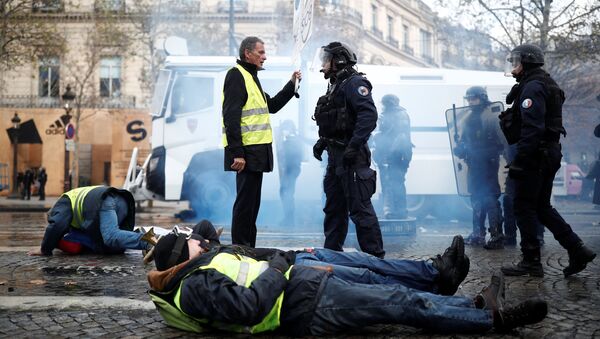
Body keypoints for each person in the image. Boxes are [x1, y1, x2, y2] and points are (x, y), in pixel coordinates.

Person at [147, 228, 548, 335]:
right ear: (182, 256)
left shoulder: (198, 271)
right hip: (304, 308)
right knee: (402, 305)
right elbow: (250, 306)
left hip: (305, 287)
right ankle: (490, 320)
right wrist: (279, 266)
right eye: (190, 243)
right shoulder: (194, 286)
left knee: (394, 294)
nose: (198, 241)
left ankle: (472, 306)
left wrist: (285, 266)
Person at [499, 44, 596, 277]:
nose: (513, 68)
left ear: (527, 62)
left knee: (522, 206)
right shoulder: (545, 83)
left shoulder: (533, 87)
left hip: (536, 155)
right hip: (547, 153)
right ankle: (577, 249)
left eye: (516, 62)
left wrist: (521, 160)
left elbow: (532, 129)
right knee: (541, 207)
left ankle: (531, 261)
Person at [222, 36, 301, 247]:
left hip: (256, 153)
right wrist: (237, 153)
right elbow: (231, 117)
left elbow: (272, 105)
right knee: (245, 204)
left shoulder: (251, 77)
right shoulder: (236, 75)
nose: (264, 57)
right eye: (261, 52)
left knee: (252, 206)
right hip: (246, 154)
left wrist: (292, 84)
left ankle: (249, 247)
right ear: (248, 53)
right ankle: (241, 248)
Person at [312, 42, 384, 258]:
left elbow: (368, 116)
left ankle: (375, 259)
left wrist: (353, 145)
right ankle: (332, 254)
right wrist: (323, 141)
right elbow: (337, 120)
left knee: (360, 209)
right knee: (334, 208)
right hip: (335, 157)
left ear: (339, 60)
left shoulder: (355, 83)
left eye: (326, 59)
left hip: (352, 157)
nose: (322, 64)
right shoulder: (335, 85)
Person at [27, 185, 156, 256]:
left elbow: (56, 225)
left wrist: (45, 248)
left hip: (106, 201)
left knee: (110, 236)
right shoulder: (75, 217)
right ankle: (140, 235)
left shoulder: (63, 202)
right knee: (112, 243)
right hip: (121, 200)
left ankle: (149, 242)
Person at [454, 86, 505, 250]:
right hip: (474, 162)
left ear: (482, 98)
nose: (470, 102)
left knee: (489, 197)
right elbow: (465, 141)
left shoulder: (491, 115)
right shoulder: (469, 117)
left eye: (473, 98)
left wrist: (485, 152)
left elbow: (501, 141)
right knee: (476, 197)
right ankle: (478, 233)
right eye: (468, 99)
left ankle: (496, 235)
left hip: (488, 162)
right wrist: (461, 149)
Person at [371, 94, 412, 219]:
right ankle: (397, 210)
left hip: (394, 156)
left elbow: (399, 136)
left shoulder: (397, 115)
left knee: (392, 183)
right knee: (394, 183)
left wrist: (387, 154)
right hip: (397, 155)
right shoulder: (399, 114)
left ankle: (394, 211)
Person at [275, 120, 303, 225]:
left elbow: (291, 157)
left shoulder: (292, 140)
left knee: (287, 193)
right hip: (290, 170)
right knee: (286, 193)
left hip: (291, 170)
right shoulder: (291, 140)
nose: (284, 131)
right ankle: (288, 218)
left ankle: (289, 219)